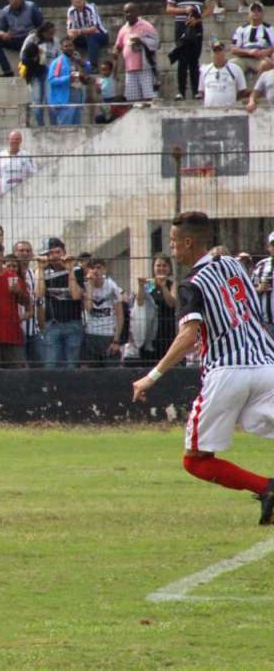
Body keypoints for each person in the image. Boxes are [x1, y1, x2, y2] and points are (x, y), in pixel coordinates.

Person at [133, 211, 274, 524]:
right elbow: (225, 255)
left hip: (226, 371)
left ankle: (267, 489)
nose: (172, 250)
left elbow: (188, 336)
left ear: (187, 242)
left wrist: (151, 376)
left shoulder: (190, 285)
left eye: (173, 242)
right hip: (267, 367)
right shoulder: (232, 263)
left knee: (195, 461)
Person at [36, 237, 84, 369]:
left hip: (73, 323)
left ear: (64, 252)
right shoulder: (44, 271)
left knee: (71, 364)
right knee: (50, 364)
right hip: (52, 324)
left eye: (58, 252)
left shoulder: (77, 269)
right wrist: (40, 270)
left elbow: (75, 295)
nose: (55, 256)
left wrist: (70, 271)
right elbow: (39, 294)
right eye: (51, 253)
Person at [167, 0, 212, 101]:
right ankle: (181, 92)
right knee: (182, 59)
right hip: (181, 26)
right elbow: (169, 9)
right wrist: (184, 10)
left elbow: (209, 9)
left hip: (196, 26)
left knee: (194, 58)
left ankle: (196, 91)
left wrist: (197, 19)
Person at [81, 258, 124, 366]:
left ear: (104, 269)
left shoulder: (112, 286)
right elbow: (89, 308)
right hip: (91, 334)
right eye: (92, 268)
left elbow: (120, 315)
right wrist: (90, 285)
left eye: (98, 267)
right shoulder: (85, 286)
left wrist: (116, 340)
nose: (95, 271)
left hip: (108, 335)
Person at [113, 4, 159, 103]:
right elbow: (118, 45)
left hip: (145, 68)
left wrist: (141, 40)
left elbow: (156, 43)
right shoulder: (123, 29)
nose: (128, 14)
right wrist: (116, 51)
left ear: (137, 13)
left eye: (131, 11)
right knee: (132, 101)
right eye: (126, 12)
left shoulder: (146, 26)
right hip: (129, 70)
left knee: (149, 99)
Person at [0, 0, 43, 78]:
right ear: (9, 0)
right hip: (15, 39)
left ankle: (34, 71)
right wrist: (2, 34)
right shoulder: (5, 11)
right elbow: (0, 29)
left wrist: (35, 32)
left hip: (29, 39)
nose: (15, 1)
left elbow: (41, 26)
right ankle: (7, 71)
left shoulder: (31, 7)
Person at [138, 253, 179, 362]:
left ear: (169, 268)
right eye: (158, 265)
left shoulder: (172, 284)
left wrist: (163, 286)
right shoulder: (150, 284)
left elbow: (172, 303)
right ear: (153, 268)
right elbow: (140, 302)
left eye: (164, 265)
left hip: (167, 328)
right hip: (150, 329)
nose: (161, 268)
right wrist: (141, 288)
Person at [21, 21, 60, 127]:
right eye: (48, 33)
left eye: (53, 33)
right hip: (35, 73)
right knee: (37, 101)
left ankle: (54, 125)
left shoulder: (55, 41)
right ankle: (40, 125)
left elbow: (59, 57)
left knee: (50, 100)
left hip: (49, 72)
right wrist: (34, 58)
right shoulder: (32, 38)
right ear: (42, 32)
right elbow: (23, 55)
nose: (50, 36)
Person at [47, 36, 91, 125]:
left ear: (74, 47)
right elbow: (52, 80)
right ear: (61, 48)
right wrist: (68, 78)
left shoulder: (77, 60)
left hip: (78, 100)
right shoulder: (57, 62)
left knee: (77, 130)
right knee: (65, 130)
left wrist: (82, 63)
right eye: (66, 46)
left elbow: (88, 69)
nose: (69, 48)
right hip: (64, 102)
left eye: (70, 45)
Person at [66, 0, 108, 73]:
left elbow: (94, 28)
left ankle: (93, 66)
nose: (78, 0)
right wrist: (72, 35)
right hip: (84, 37)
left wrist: (78, 31)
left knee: (91, 37)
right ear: (71, 0)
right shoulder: (70, 11)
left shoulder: (90, 8)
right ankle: (71, 67)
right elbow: (69, 30)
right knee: (67, 42)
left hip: (100, 35)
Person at [230, 3, 274, 79]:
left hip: (261, 58)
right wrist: (248, 52)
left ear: (263, 13)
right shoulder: (241, 29)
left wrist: (265, 52)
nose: (256, 12)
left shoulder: (269, 29)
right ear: (249, 13)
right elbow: (233, 49)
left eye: (258, 10)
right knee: (231, 65)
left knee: (266, 64)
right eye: (253, 10)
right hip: (244, 57)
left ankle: (258, 89)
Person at [199, 39, 247, 108]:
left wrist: (232, 100)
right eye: (215, 52)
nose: (218, 54)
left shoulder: (236, 69)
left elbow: (242, 90)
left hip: (229, 110)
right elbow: (201, 91)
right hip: (210, 111)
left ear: (224, 52)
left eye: (220, 51)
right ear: (211, 54)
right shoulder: (205, 70)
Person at [0, 130, 35, 199]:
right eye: (12, 139)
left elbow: (33, 175)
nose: (15, 141)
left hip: (23, 196)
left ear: (21, 140)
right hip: (4, 196)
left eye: (17, 139)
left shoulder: (27, 155)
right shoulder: (0, 156)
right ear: (8, 140)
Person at [251, 233, 274, 332]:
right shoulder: (262, 265)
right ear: (269, 247)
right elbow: (249, 291)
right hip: (266, 323)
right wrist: (259, 288)